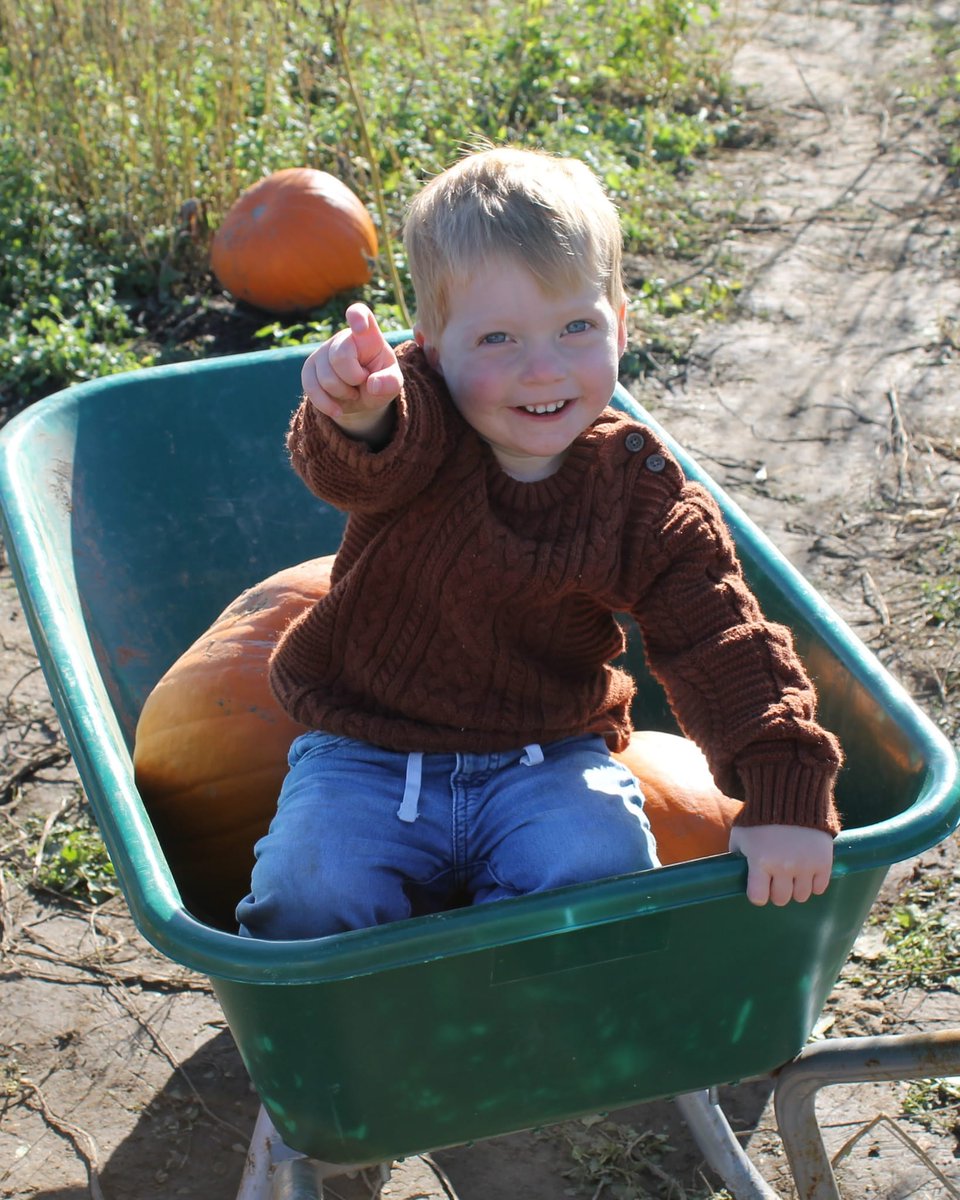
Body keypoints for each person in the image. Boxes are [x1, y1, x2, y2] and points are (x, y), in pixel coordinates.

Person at [236, 146, 842, 940]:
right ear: (430, 344)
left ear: (620, 326)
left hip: (546, 757)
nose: (543, 369)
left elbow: (718, 637)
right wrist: (356, 416)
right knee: (310, 895)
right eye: (497, 340)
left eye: (576, 327)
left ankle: (546, 1035)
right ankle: (346, 1044)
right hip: (366, 751)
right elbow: (360, 468)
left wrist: (783, 786)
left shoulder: (640, 492)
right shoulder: (419, 423)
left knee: (599, 870)